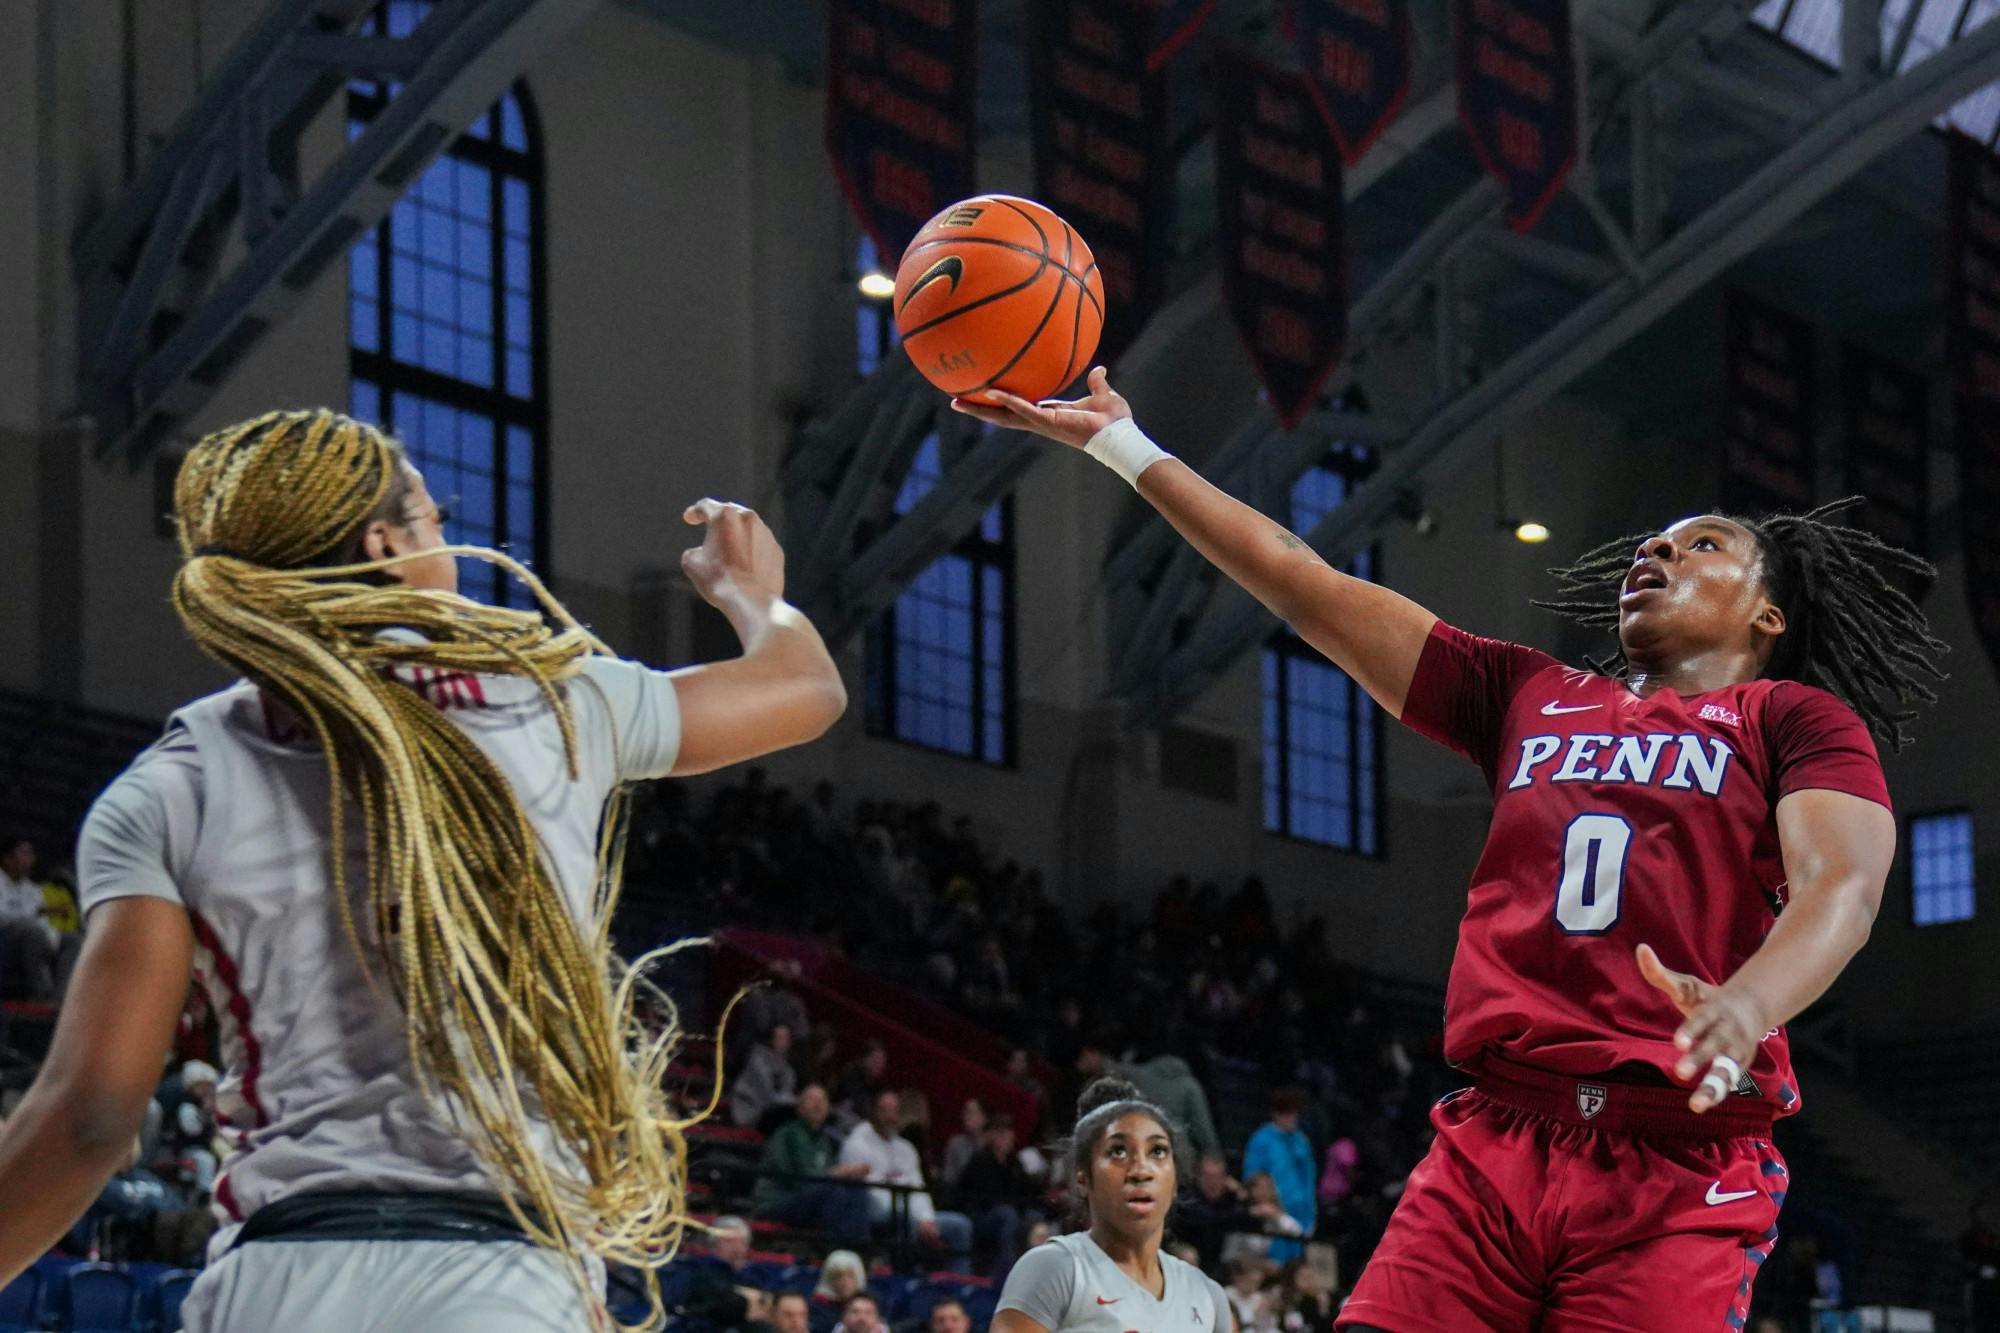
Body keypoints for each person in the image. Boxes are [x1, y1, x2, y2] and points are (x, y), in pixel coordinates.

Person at [964, 371, 1946, 1332]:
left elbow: (1842, 886)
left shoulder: (1791, 719)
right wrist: (1119, 442)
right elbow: (1302, 582)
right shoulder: (1525, 692)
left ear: (1767, 615)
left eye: (1702, 544)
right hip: (1498, 1139)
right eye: (1653, 540)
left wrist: (1748, 1002)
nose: (1657, 549)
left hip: (1675, 1162)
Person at [0, 409, 847, 1330]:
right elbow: (806, 688)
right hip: (504, 1278)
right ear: (385, 543)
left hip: (278, 1278)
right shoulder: (547, 698)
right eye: (434, 516)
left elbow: (92, 1118)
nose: (445, 533)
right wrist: (751, 595)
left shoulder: (176, 778)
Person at [991, 1077, 1234, 1333]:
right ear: (1082, 1178)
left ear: (1174, 1181)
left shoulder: (1207, 1295)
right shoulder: (1054, 1268)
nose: (1141, 1171)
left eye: (1158, 1151)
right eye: (1118, 1151)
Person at [838, 1089, 973, 1268]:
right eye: (885, 1110)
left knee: (960, 1225)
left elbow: (918, 1188)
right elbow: (873, 1195)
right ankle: (905, 1273)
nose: (890, 1117)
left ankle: (957, 1280)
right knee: (902, 1219)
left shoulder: (906, 1148)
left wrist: (925, 1219)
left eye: (894, 1111)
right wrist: (915, 1219)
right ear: (873, 1112)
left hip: (913, 1216)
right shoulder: (856, 1145)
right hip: (877, 1214)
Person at [753, 1083, 871, 1243]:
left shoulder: (825, 1141)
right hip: (779, 1199)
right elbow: (792, 1178)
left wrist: (846, 1175)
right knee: (834, 1190)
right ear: (799, 1108)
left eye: (822, 1100)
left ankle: (858, 1248)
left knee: (857, 1190)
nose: (817, 1105)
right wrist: (834, 1174)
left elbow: (828, 1175)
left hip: (812, 1197)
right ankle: (832, 1246)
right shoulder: (786, 1134)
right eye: (811, 1099)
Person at [1240, 1089, 1315, 1261]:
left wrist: (1311, 1213)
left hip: (1301, 1212)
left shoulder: (1302, 1142)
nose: (1290, 1119)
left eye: (1293, 1114)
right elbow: (1253, 1178)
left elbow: (1309, 1179)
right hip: (1273, 1212)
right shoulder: (1261, 1140)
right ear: (1276, 1114)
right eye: (1286, 1114)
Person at [732, 1022, 800, 1131]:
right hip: (749, 1112)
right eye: (780, 1037)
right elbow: (768, 1095)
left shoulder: (789, 1070)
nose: (784, 1041)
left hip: (770, 1112)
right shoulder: (757, 1061)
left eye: (787, 1038)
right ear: (771, 1040)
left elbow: (786, 1095)